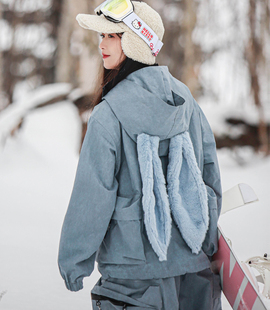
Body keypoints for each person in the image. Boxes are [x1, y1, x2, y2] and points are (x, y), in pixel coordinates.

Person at [58, 1, 222, 309]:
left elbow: (93, 194)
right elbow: (208, 172)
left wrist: (74, 261)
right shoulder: (186, 100)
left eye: (112, 36)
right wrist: (207, 238)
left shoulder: (108, 115)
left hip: (132, 277)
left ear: (134, 41)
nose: (101, 44)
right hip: (192, 270)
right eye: (101, 36)